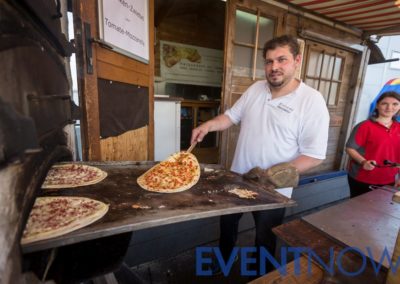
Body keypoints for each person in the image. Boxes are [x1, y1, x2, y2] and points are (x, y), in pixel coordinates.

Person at [191, 35, 330, 275]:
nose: (274, 67)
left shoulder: (312, 101)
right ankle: (224, 259)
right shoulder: (256, 88)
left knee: (265, 237)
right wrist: (207, 126)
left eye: (281, 60)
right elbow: (231, 117)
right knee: (227, 225)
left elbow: (315, 154)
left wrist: (274, 175)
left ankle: (262, 275)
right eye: (268, 61)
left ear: (297, 60)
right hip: (237, 178)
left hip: (273, 190)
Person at [346, 91, 400, 198]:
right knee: (359, 210)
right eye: (384, 103)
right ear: (377, 105)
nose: (389, 107)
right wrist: (364, 162)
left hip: (389, 179)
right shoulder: (365, 126)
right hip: (362, 178)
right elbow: (350, 148)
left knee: (381, 211)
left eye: (395, 104)